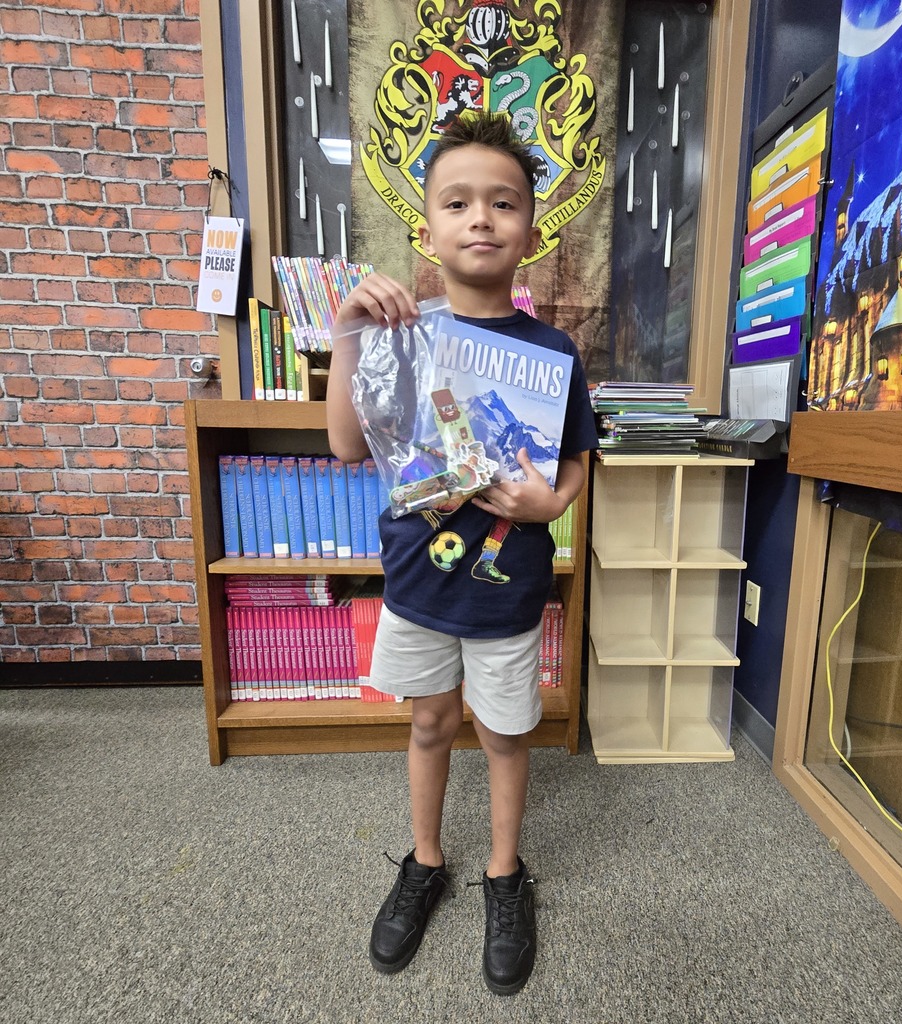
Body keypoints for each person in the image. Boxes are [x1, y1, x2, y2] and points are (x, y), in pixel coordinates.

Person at [325, 111, 599, 996]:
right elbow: (345, 448)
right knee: (430, 722)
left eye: (504, 202)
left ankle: (505, 873)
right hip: (415, 581)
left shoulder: (553, 351)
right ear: (428, 226)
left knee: (509, 733)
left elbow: (577, 458)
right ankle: (427, 861)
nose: (481, 218)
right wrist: (345, 333)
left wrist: (548, 502)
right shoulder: (397, 337)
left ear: (529, 227)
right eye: (458, 202)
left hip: (506, 585)